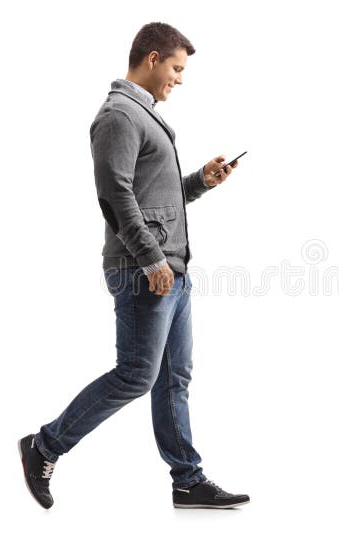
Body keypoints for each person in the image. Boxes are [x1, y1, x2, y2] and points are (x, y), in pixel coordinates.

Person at [17, 22, 249, 510]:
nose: (180, 79)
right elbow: (115, 197)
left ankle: (188, 480)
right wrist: (149, 259)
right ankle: (44, 445)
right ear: (152, 58)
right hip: (145, 270)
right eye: (176, 68)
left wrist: (201, 182)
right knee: (136, 376)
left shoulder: (145, 115)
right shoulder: (120, 116)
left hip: (172, 270)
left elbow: (153, 198)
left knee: (173, 378)